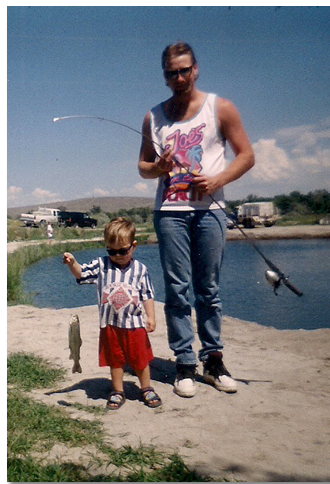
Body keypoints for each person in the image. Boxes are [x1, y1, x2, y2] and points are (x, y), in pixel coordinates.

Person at [138, 42, 254, 398]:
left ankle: (214, 360)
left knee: (209, 289)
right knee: (176, 289)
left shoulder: (220, 107)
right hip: (170, 212)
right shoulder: (153, 117)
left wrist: (219, 180)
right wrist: (158, 167)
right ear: (164, 76)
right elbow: (143, 167)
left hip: (210, 213)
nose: (179, 77)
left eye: (185, 69)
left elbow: (246, 155)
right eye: (172, 72)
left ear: (196, 69)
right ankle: (184, 364)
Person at [63, 217, 162, 410]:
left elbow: (147, 294)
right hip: (110, 325)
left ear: (133, 246)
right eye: (112, 251)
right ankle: (117, 390)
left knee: (140, 359)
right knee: (115, 360)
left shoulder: (141, 269)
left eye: (122, 251)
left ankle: (146, 388)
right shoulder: (102, 265)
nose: (117, 255)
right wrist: (72, 263)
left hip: (134, 325)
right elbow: (81, 274)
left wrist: (151, 317)